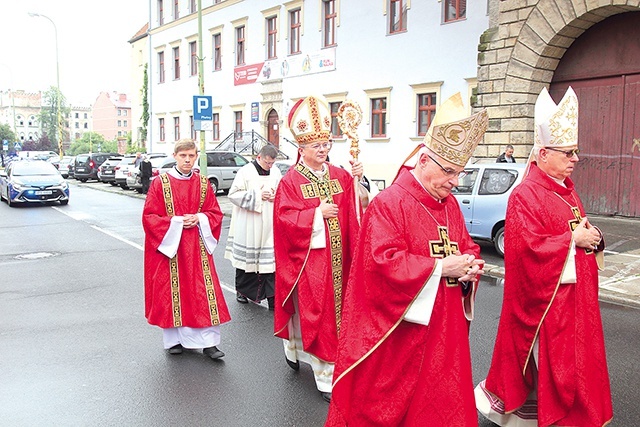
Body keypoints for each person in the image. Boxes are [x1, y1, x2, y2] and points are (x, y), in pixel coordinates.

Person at [325, 93, 488, 426]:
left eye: (460, 173)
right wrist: (441, 267)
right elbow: (381, 264)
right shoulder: (390, 203)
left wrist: (471, 265)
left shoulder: (451, 205)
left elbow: (466, 246)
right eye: (449, 172)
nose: (455, 182)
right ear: (424, 161)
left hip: (447, 328)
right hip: (403, 335)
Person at [475, 87, 613, 427]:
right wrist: (571, 240)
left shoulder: (568, 192)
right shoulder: (525, 195)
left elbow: (581, 230)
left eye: (575, 152)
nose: (575, 158)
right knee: (549, 369)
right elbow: (525, 251)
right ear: (543, 153)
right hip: (546, 305)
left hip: (575, 300)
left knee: (578, 365)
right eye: (567, 153)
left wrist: (593, 239)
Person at [273, 95, 363, 403]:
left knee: (340, 313)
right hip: (310, 261)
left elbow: (357, 206)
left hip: (341, 260)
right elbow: (284, 220)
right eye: (317, 147)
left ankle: (327, 362)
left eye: (326, 145)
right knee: (317, 314)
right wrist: (314, 216)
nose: (323, 151)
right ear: (302, 149)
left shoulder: (340, 176)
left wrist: (359, 180)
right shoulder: (291, 181)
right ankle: (321, 372)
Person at [142, 138, 230, 359]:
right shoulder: (160, 183)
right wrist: (178, 222)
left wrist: (200, 218)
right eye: (183, 156)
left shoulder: (203, 183)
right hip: (172, 248)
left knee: (203, 292)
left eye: (192, 156)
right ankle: (174, 341)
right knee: (173, 292)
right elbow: (150, 217)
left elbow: (215, 213)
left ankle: (209, 343)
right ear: (175, 156)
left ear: (196, 156)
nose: (188, 160)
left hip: (198, 247)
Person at [224, 144, 282, 309]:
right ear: (259, 157)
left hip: (269, 222)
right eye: (267, 163)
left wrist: (275, 196)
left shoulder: (276, 172)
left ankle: (272, 298)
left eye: (272, 163)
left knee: (270, 263)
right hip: (249, 221)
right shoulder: (245, 172)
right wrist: (257, 196)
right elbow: (233, 195)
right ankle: (242, 291)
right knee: (247, 263)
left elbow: (282, 191)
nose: (270, 166)